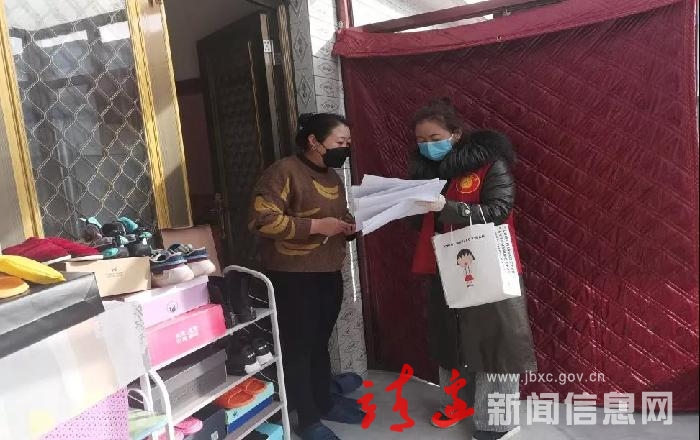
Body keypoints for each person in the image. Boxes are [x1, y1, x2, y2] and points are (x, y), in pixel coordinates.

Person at [409, 98, 537, 440]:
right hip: (443, 267)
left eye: (434, 137)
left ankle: (496, 422)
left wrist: (447, 207)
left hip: (489, 266)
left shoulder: (489, 165)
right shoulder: (425, 174)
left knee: (495, 343)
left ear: (455, 134)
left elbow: (499, 209)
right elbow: (423, 224)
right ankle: (457, 404)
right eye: (420, 140)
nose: (427, 146)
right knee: (450, 340)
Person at [248, 113, 363, 440]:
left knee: (319, 341)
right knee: (298, 347)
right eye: (340, 142)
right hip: (293, 277)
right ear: (314, 141)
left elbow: (338, 216)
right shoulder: (284, 172)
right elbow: (262, 220)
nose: (346, 149)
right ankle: (308, 419)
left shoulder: (333, 178)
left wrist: (349, 226)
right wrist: (315, 226)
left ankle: (324, 402)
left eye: (348, 143)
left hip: (328, 273)